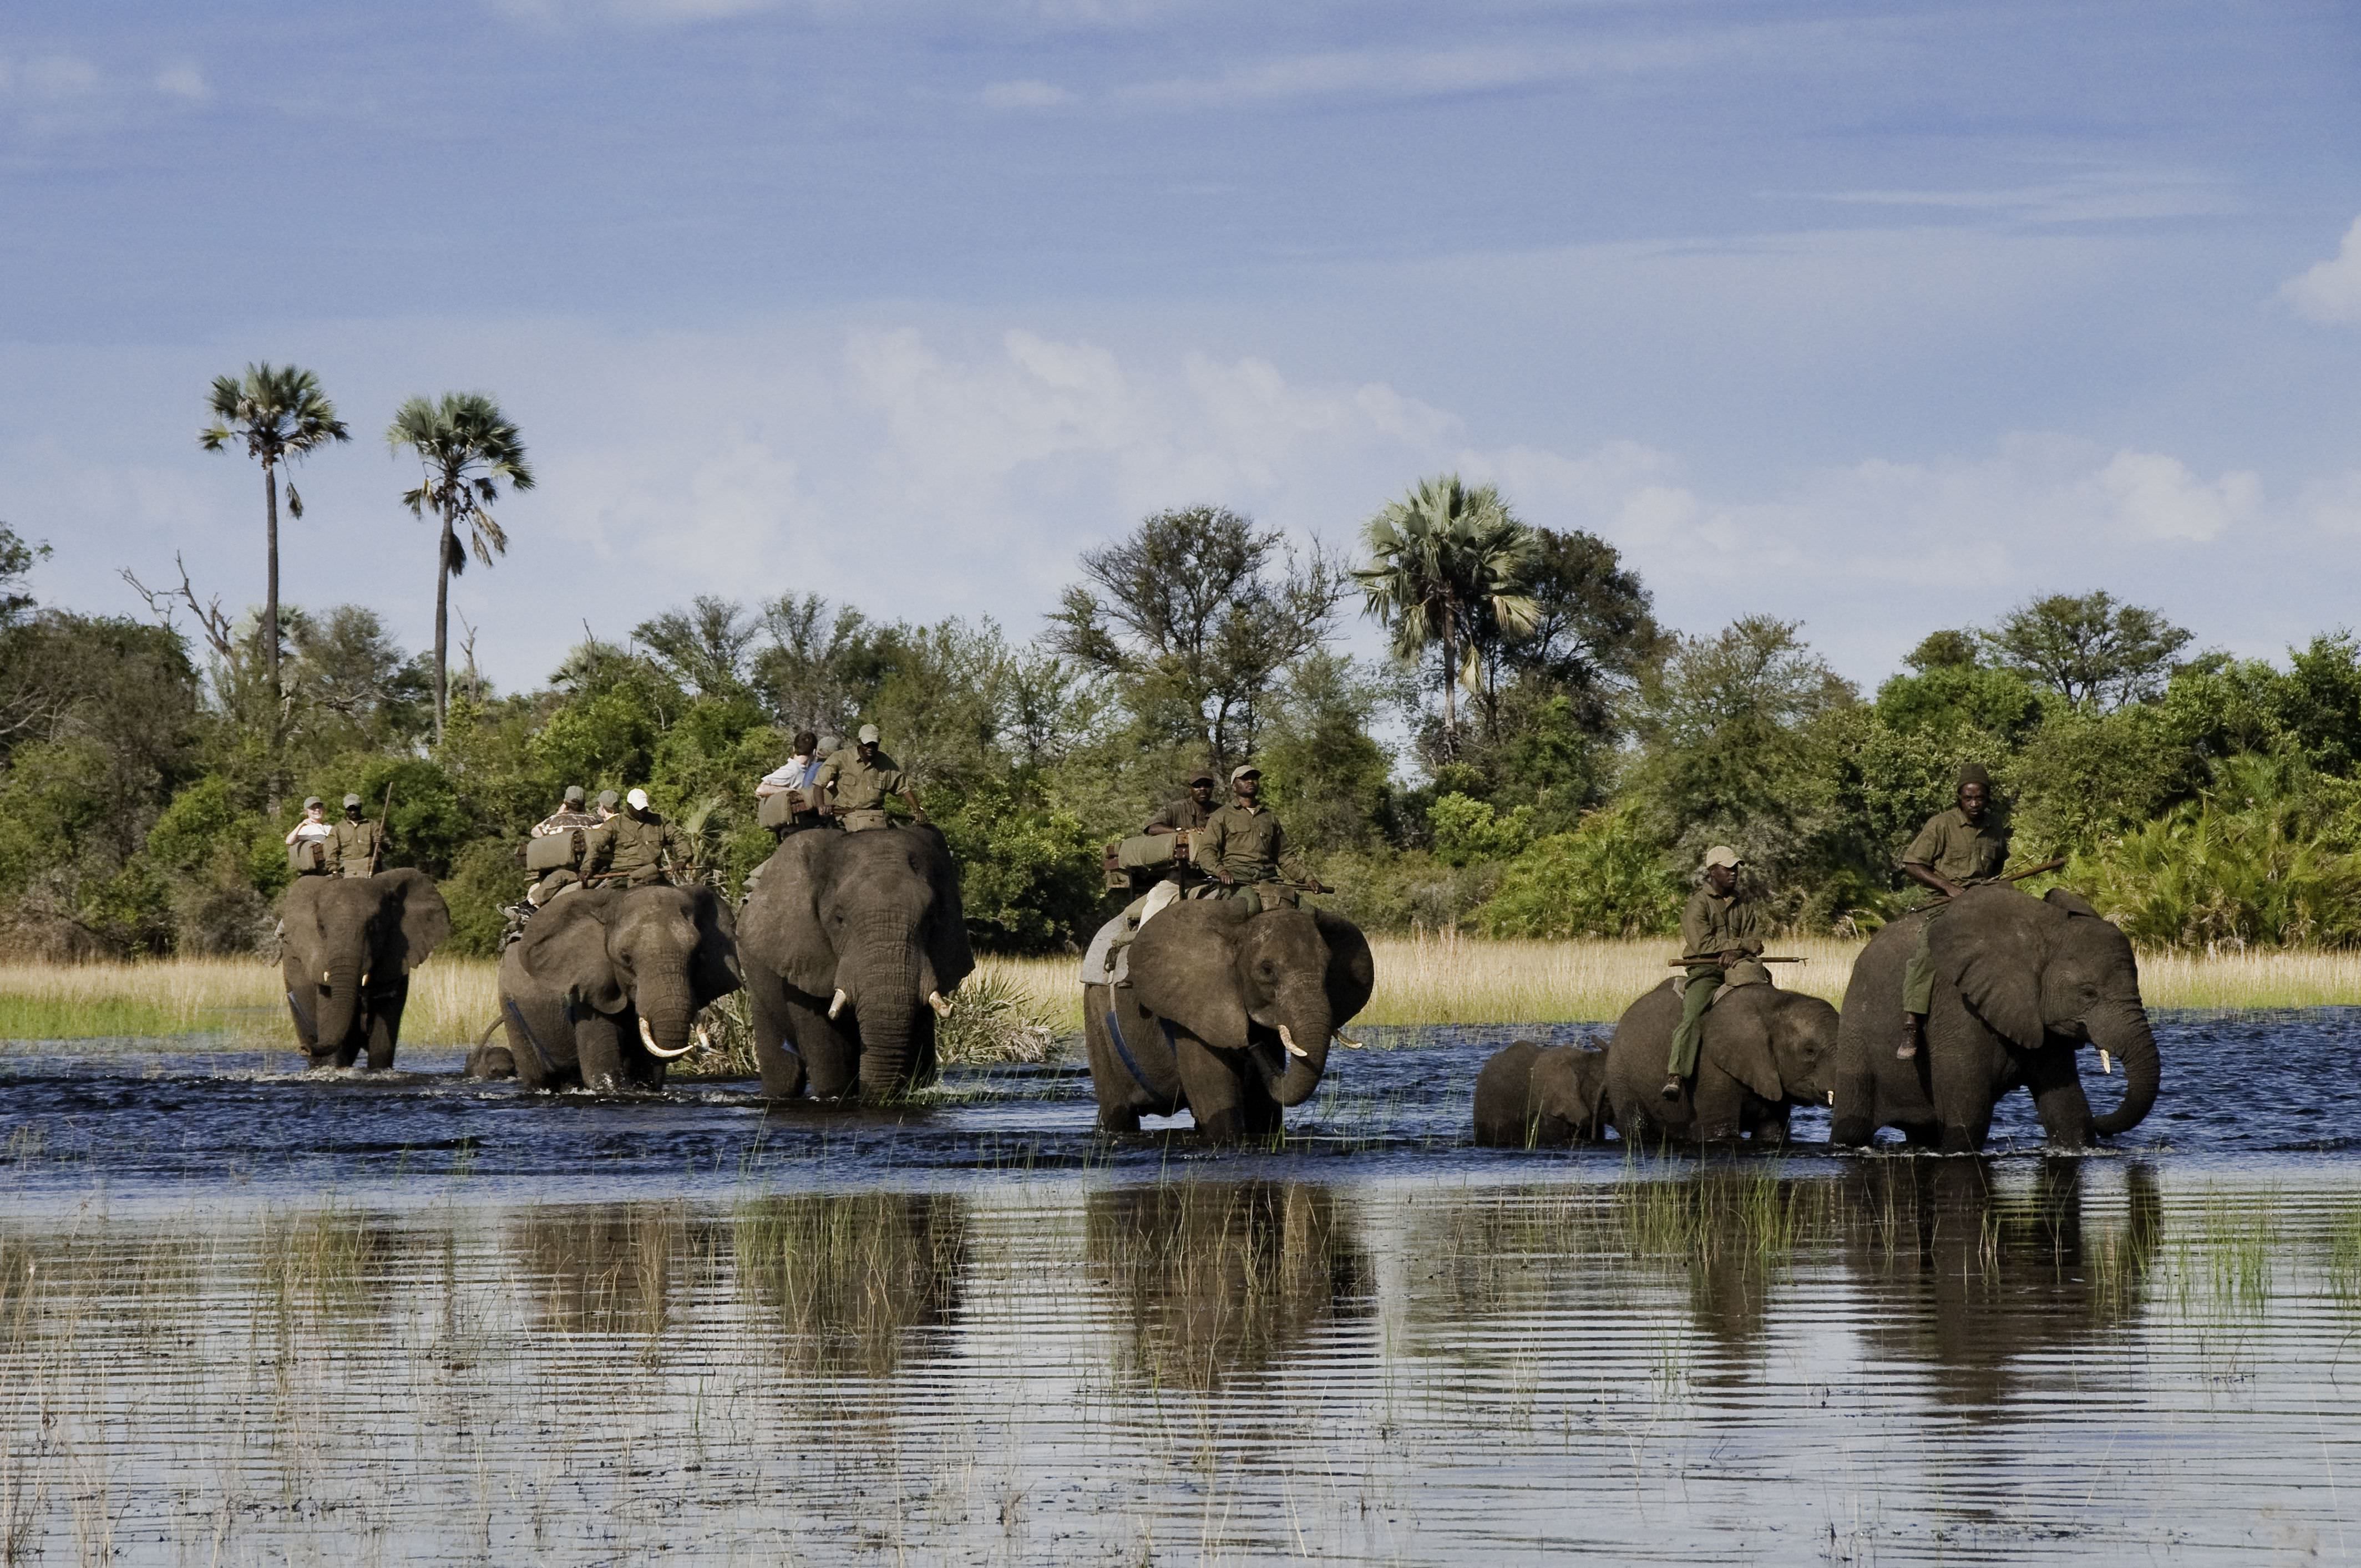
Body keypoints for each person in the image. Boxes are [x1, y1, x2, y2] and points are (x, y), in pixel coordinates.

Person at [1897, 762, 2012, 1059]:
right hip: (1946, 902)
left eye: (1980, 798)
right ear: (1959, 798)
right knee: (1927, 951)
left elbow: (1998, 865)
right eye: (1968, 798)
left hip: (1984, 899)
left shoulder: (1995, 827)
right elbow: (1912, 864)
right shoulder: (1941, 825)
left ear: (1988, 798)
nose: (1974, 804)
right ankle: (1911, 1022)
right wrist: (1948, 887)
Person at [1663, 845, 1766, 1102]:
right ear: (1712, 871)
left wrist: (1739, 952)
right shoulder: (1697, 905)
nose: (1734, 873)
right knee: (1694, 1013)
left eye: (1736, 869)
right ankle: (1676, 1075)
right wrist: (1739, 946)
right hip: (1706, 969)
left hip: (1740, 966)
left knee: (1770, 998)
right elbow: (1703, 945)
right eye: (1727, 869)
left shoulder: (1743, 905)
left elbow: (1757, 942)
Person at [1197, 764, 1330, 910]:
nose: (1250, 782)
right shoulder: (1221, 816)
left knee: (1307, 912)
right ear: (1234, 787)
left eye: (1254, 778)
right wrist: (1221, 871)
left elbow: (1285, 856)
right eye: (1245, 779)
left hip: (1270, 880)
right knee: (1251, 907)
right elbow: (1206, 852)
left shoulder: (1269, 818)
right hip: (1238, 880)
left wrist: (1308, 879)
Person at [814, 724, 926, 833]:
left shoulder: (886, 763)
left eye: (874, 745)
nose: (870, 748)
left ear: (879, 742)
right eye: (867, 744)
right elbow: (819, 784)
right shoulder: (841, 758)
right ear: (859, 742)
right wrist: (821, 806)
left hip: (876, 818)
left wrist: (917, 810)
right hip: (845, 816)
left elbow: (904, 788)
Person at [582, 787, 697, 887]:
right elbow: (596, 845)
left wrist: (682, 860)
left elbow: (679, 838)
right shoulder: (614, 824)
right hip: (623, 876)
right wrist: (586, 868)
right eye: (638, 809)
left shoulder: (659, 821)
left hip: (653, 874)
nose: (642, 812)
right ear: (629, 806)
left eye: (644, 808)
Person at [756, 730, 830, 835]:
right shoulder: (792, 770)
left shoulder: (807, 770)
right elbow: (761, 789)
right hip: (798, 829)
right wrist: (793, 792)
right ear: (814, 752)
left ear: (794, 749)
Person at [1143, 769, 1218, 836]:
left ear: (1213, 787)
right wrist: (1183, 831)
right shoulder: (1175, 808)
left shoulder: (1221, 811)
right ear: (1190, 788)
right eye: (1197, 785)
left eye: (1207, 785)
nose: (1203, 789)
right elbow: (1152, 828)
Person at [328, 793, 384, 877]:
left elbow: (387, 848)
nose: (353, 812)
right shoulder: (337, 828)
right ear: (345, 809)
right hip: (346, 868)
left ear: (361, 807)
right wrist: (334, 871)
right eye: (350, 810)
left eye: (356, 809)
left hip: (370, 866)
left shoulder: (373, 825)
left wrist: (381, 842)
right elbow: (331, 851)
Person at [285, 796, 334, 875]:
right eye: (313, 808)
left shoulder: (329, 827)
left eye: (319, 807)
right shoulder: (306, 828)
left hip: (334, 860)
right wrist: (301, 825)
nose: (317, 810)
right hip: (323, 866)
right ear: (306, 812)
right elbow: (289, 841)